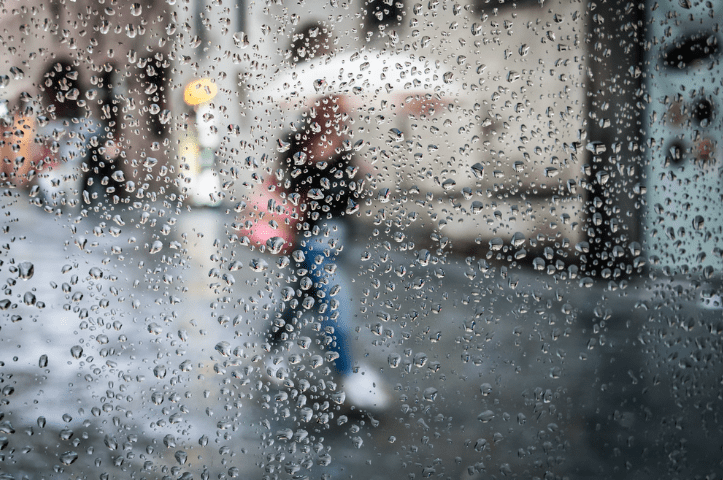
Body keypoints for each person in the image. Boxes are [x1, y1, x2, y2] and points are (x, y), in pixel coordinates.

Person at [267, 95, 391, 411]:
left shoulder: (345, 149)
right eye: (336, 110)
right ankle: (349, 374)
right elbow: (285, 186)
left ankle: (272, 348)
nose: (341, 117)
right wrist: (306, 187)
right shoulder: (295, 144)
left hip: (339, 237)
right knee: (334, 300)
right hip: (310, 238)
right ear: (318, 111)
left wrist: (362, 178)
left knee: (300, 297)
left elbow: (352, 201)